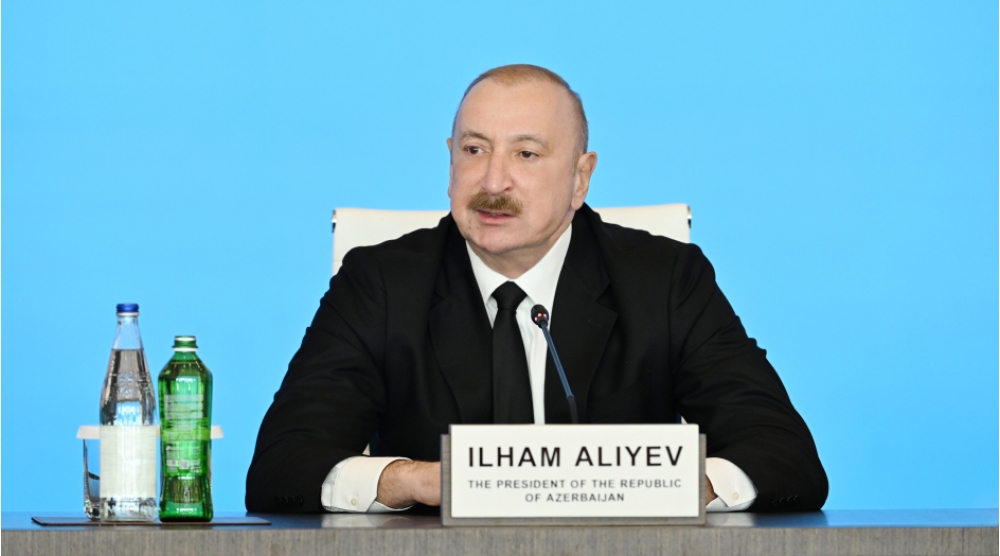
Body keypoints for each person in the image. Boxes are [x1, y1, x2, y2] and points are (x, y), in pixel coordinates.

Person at [246, 64, 828, 514]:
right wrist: (415, 480)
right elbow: (281, 469)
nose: (493, 181)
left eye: (526, 154)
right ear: (450, 162)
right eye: (474, 150)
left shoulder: (665, 280)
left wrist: (663, 485)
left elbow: (785, 457)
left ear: (580, 178)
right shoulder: (379, 284)